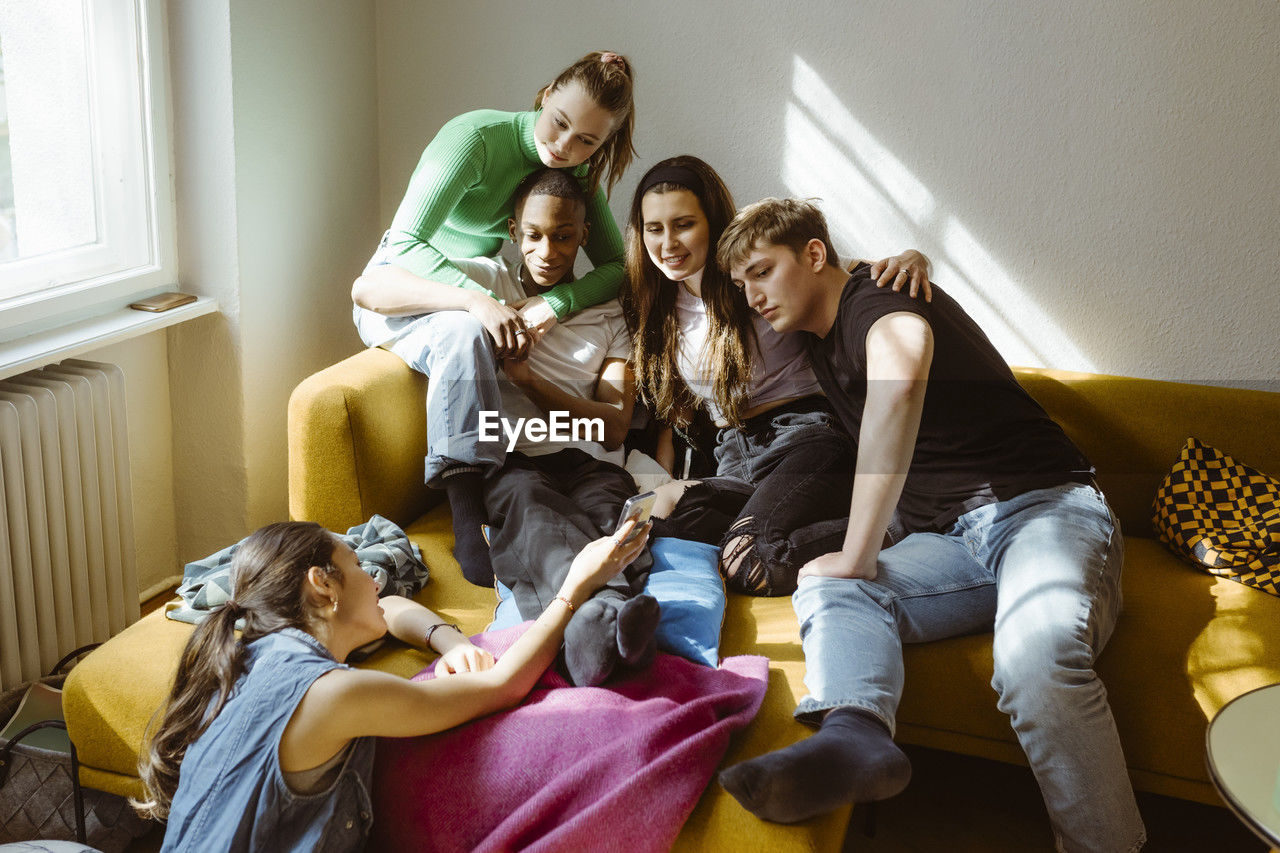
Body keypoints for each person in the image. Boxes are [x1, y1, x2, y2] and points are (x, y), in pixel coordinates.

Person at [714, 198, 1144, 851]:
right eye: (743, 284)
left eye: (761, 272)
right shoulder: (824, 330)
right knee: (827, 582)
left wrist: (860, 548)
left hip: (1044, 509)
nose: (753, 296)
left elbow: (903, 365)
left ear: (812, 255)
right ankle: (853, 735)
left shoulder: (873, 301)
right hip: (952, 543)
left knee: (1034, 660)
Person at [136, 518, 649, 852]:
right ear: (322, 584)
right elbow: (505, 685)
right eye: (358, 567)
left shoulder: (249, 655)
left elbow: (394, 611)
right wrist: (574, 589)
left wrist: (449, 642)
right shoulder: (333, 694)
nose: (374, 580)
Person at [351, 51, 636, 586]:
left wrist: (556, 303)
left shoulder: (573, 174)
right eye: (561, 124)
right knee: (464, 327)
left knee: (467, 326)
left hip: (475, 291)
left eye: (587, 142)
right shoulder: (475, 139)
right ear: (547, 93)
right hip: (404, 287)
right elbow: (401, 246)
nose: (565, 147)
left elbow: (619, 267)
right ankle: (465, 514)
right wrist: (474, 300)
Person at [620, 155, 930, 596]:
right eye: (655, 228)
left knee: (750, 560)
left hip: (806, 436)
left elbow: (845, 276)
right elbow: (678, 416)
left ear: (712, 221)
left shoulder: (757, 275)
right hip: (735, 454)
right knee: (658, 524)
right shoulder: (656, 306)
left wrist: (914, 258)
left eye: (683, 224)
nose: (668, 242)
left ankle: (900, 523)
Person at [401, 167, 657, 687]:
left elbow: (613, 428)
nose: (547, 251)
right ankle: (603, 615)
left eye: (564, 237)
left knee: (616, 522)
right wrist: (473, 305)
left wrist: (528, 381)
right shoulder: (482, 282)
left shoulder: (608, 313)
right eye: (534, 236)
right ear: (513, 231)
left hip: (591, 461)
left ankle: (594, 630)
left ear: (584, 236)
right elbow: (376, 286)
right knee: (537, 517)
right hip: (515, 460)